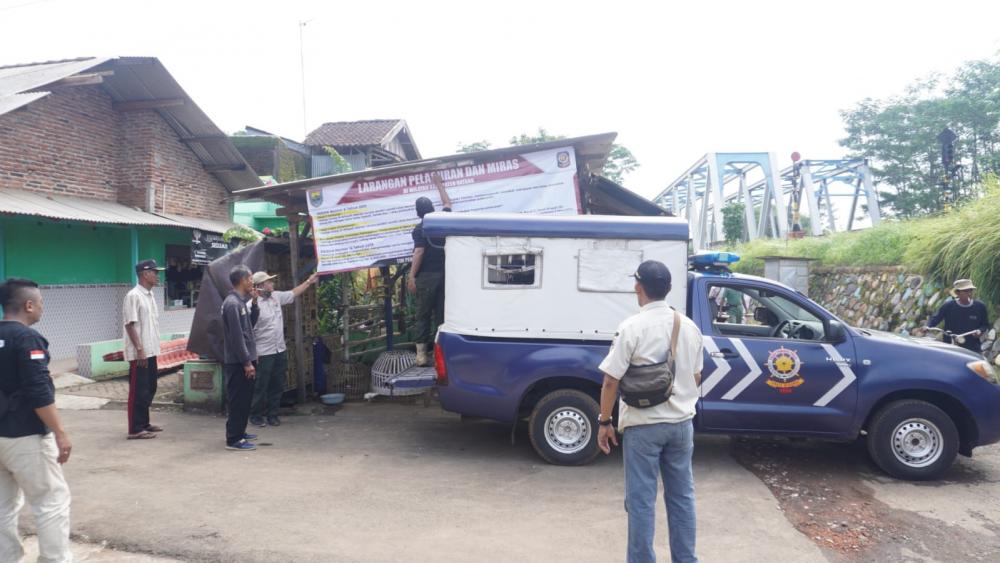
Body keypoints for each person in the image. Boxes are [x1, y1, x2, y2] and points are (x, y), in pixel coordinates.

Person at [596, 260, 704, 563]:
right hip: (682, 426)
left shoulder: (631, 328)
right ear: (668, 289)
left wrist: (604, 421)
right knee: (682, 497)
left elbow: (611, 380)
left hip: (643, 426)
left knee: (641, 501)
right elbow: (696, 376)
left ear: (638, 287)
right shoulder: (690, 327)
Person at [0, 278, 72, 562]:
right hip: (25, 436)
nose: (43, 307)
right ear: (29, 305)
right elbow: (39, 391)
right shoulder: (27, 339)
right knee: (51, 502)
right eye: (41, 302)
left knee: (3, 507)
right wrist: (60, 432)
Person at [248, 271, 319, 428]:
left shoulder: (276, 297)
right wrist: (253, 354)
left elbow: (293, 293)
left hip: (279, 349)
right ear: (260, 286)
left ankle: (272, 415)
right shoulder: (251, 305)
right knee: (261, 385)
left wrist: (309, 281)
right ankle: (256, 415)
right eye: (269, 282)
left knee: (277, 384)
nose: (272, 284)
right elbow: (248, 332)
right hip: (263, 352)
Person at [407, 172, 453, 366]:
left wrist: (411, 276)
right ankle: (440, 354)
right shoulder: (443, 221)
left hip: (427, 277)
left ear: (418, 213)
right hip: (446, 275)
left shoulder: (420, 229)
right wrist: (439, 184)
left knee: (423, 314)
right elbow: (448, 203)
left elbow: (419, 252)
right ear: (432, 209)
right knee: (442, 315)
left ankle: (421, 355)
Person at [123, 259, 166, 440]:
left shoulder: (149, 295)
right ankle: (135, 429)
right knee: (138, 391)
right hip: (139, 353)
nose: (157, 276)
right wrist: (139, 349)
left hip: (151, 350)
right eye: (155, 272)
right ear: (145, 274)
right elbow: (129, 325)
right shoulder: (133, 296)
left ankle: (144, 423)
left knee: (150, 388)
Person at [222, 266, 259, 451]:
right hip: (237, 362)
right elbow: (236, 337)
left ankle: (240, 431)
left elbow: (249, 326)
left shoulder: (241, 301)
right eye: (250, 278)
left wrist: (255, 303)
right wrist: (246, 362)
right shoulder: (232, 304)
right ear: (243, 280)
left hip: (245, 359)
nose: (252, 282)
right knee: (238, 400)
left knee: (245, 399)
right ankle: (234, 439)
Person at [926, 279, 991, 354]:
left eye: (970, 290)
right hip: (950, 344)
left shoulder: (980, 307)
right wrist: (927, 327)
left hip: (972, 347)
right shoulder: (948, 306)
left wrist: (980, 331)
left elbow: (985, 325)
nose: (969, 293)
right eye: (965, 291)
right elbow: (936, 318)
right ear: (957, 292)